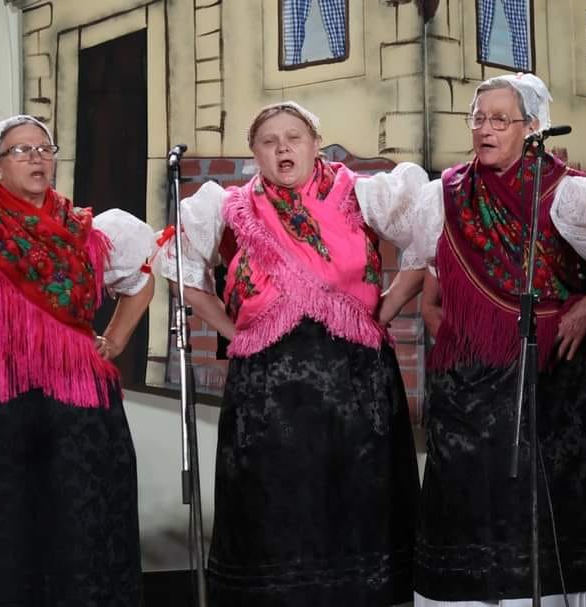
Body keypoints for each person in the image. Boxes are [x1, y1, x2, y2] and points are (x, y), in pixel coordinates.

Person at [153, 100, 426, 606]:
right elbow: (179, 268)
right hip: (268, 390)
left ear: (314, 143)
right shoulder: (229, 207)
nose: (282, 148)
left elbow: (426, 241)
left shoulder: (359, 193)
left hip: (354, 380)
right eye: (269, 140)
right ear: (253, 152)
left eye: (293, 137)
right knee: (276, 509)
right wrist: (232, 331)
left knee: (356, 504)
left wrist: (383, 312)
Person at [411, 73, 586, 606]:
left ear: (532, 127)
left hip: (554, 373)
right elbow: (431, 280)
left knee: (555, 500)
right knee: (475, 503)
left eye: (500, 119)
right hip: (473, 384)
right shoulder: (445, 194)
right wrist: (449, 330)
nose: (485, 129)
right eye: (478, 118)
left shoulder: (569, 191)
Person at [0, 115, 154, 605]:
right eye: (21, 151)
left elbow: (140, 280)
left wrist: (115, 340)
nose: (37, 157)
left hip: (78, 404)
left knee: (82, 517)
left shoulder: (92, 229)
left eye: (44, 147)